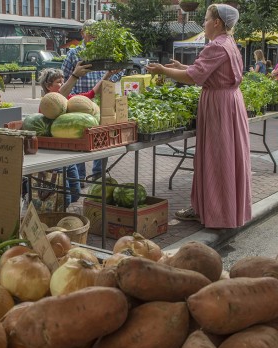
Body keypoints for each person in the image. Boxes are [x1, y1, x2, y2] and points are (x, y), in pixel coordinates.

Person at [146, 4, 251, 229]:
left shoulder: (216, 46)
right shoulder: (229, 44)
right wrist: (182, 66)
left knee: (216, 158)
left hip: (219, 106)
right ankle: (220, 209)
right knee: (227, 156)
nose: (203, 24)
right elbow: (208, 71)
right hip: (230, 102)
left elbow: (194, 78)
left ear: (217, 23)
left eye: (205, 19)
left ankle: (215, 213)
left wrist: (163, 71)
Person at [38, 64, 119, 206]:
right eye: (58, 82)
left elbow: (92, 94)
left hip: (68, 157)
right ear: (48, 86)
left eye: (63, 81)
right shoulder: (47, 104)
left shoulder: (70, 100)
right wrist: (74, 76)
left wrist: (108, 75)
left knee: (75, 195)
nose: (62, 84)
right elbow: (58, 99)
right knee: (65, 199)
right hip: (54, 158)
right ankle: (60, 221)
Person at [61, 19, 124, 182]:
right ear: (83, 34)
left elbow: (117, 74)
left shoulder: (104, 51)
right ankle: (80, 176)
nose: (94, 36)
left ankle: (98, 173)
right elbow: (65, 76)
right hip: (80, 101)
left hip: (101, 100)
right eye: (91, 33)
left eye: (97, 33)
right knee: (80, 138)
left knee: (103, 138)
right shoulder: (74, 54)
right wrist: (73, 97)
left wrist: (112, 76)